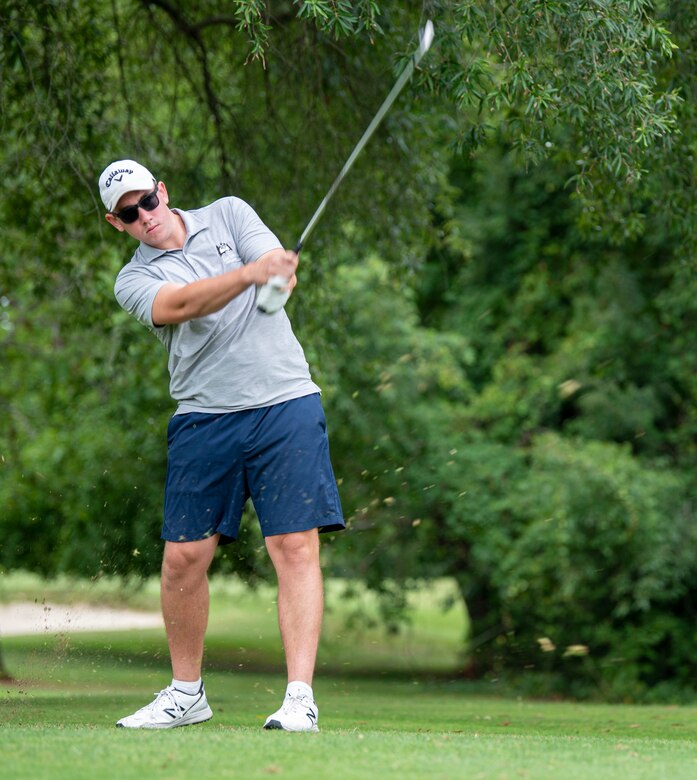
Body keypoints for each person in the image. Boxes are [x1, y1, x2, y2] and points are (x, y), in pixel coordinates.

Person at [98, 159, 344, 731]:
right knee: (183, 557)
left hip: (285, 402)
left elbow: (279, 271)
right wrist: (250, 276)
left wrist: (279, 274)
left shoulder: (229, 214)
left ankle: (300, 697)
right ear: (118, 224)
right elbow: (181, 305)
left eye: (147, 202)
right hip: (205, 416)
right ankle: (187, 694)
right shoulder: (132, 280)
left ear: (162, 192)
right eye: (129, 214)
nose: (145, 217)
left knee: (294, 545)